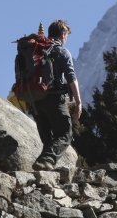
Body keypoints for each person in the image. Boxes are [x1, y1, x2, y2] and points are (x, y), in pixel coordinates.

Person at [32, 19, 82, 170]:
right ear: (62, 34)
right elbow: (71, 78)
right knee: (65, 134)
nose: (66, 38)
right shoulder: (62, 51)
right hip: (54, 98)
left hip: (35, 100)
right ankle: (45, 161)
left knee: (48, 141)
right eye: (66, 35)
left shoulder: (37, 50)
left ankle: (44, 170)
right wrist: (78, 102)